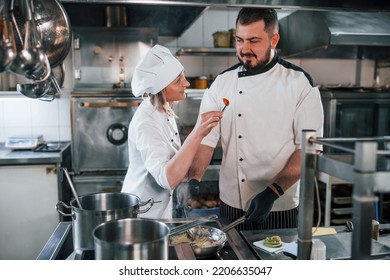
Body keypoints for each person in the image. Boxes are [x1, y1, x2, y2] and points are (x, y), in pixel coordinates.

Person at [188, 8, 324, 230]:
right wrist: (193, 179)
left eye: (253, 40)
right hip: (231, 203)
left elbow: (308, 151)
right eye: (239, 40)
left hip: (278, 204)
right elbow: (206, 141)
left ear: (274, 39)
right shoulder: (222, 83)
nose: (245, 49)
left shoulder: (299, 84)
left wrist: (272, 193)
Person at [121, 44, 223, 219]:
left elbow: (175, 161)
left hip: (159, 212)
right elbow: (167, 179)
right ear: (161, 88)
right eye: (178, 80)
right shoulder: (145, 124)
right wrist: (198, 132)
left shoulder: (163, 110)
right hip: (141, 217)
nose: (187, 83)